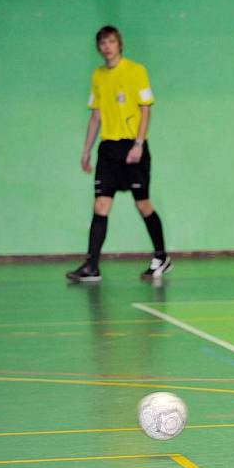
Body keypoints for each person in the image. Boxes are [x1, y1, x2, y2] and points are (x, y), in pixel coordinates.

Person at [66, 25, 171, 282]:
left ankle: (161, 256)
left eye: (111, 41)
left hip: (132, 147)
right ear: (98, 47)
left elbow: (146, 110)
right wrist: (86, 150)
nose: (107, 47)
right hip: (108, 149)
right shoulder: (98, 76)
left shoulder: (136, 71)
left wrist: (138, 144)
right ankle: (92, 266)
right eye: (102, 43)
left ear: (119, 44)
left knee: (142, 204)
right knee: (100, 205)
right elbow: (95, 116)